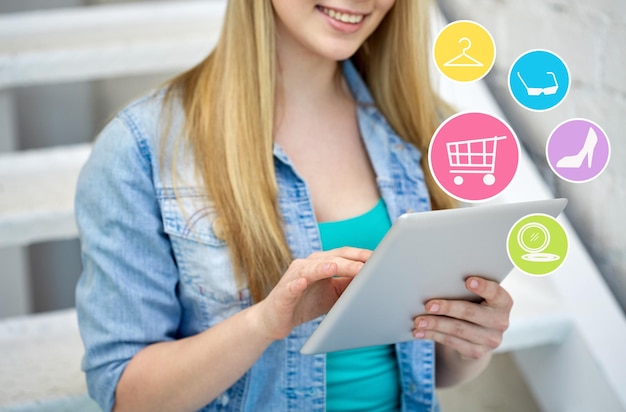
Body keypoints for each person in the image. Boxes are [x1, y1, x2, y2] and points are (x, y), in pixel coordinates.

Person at [75, 0, 513, 411]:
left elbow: (434, 369)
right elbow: (126, 395)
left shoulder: (426, 126)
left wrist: (468, 342)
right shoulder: (141, 148)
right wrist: (264, 324)